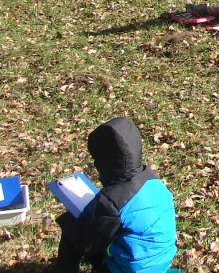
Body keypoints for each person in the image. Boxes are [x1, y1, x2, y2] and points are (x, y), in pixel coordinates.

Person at [55, 116, 177, 273]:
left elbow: (89, 241)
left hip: (132, 268)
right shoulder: (152, 179)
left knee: (73, 231)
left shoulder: (112, 200)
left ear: (106, 161)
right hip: (161, 261)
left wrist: (70, 222)